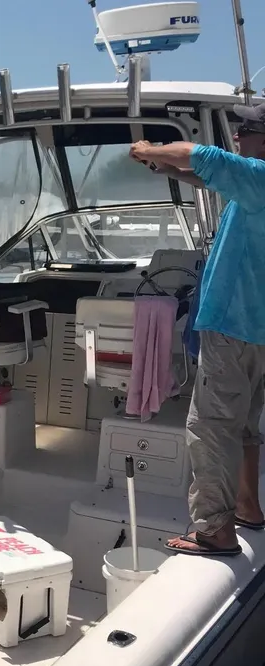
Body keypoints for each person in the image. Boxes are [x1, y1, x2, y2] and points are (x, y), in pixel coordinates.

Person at [129, 103, 265, 557]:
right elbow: (206, 176)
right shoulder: (253, 186)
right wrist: (163, 168)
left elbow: (201, 154)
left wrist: (151, 147)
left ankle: (213, 529)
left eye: (244, 130)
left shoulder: (258, 175)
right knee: (244, 425)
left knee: (210, 427)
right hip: (258, 332)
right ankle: (248, 507)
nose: (238, 138)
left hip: (231, 327)